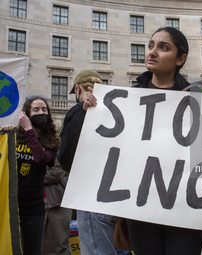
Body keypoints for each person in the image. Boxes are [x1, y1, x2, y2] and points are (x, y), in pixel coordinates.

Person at [83, 27, 202, 255]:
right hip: (141, 210)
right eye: (151, 46)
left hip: (184, 210)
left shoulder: (199, 98)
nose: (152, 52)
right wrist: (90, 114)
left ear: (181, 59)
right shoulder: (125, 100)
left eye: (163, 47)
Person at [57, 69, 130, 255]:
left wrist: (81, 115)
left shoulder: (78, 110)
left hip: (90, 198)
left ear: (77, 88)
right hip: (116, 199)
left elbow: (65, 158)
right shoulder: (117, 115)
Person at [1, 96, 59, 255]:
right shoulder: (15, 137)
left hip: (34, 208)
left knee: (32, 250)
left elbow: (41, 158)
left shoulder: (51, 142)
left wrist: (28, 130)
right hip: (11, 205)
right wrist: (5, 135)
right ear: (26, 113)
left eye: (44, 110)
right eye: (36, 110)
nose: (41, 113)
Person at [42, 159, 72, 255]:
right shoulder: (21, 149)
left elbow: (57, 173)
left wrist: (32, 177)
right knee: (36, 245)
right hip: (33, 203)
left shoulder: (53, 147)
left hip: (58, 201)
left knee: (61, 244)